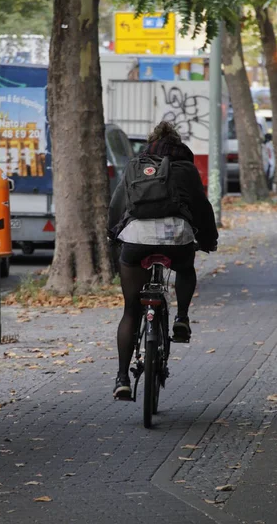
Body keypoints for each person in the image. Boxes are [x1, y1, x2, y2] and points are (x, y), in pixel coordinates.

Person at [108, 121, 219, 400]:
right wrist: (208, 240)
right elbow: (201, 207)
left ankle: (122, 378)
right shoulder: (186, 168)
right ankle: (181, 317)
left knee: (131, 310)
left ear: (150, 141)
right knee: (185, 266)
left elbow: (117, 203)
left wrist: (113, 235)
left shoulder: (136, 164)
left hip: (135, 239)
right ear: (178, 143)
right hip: (176, 238)